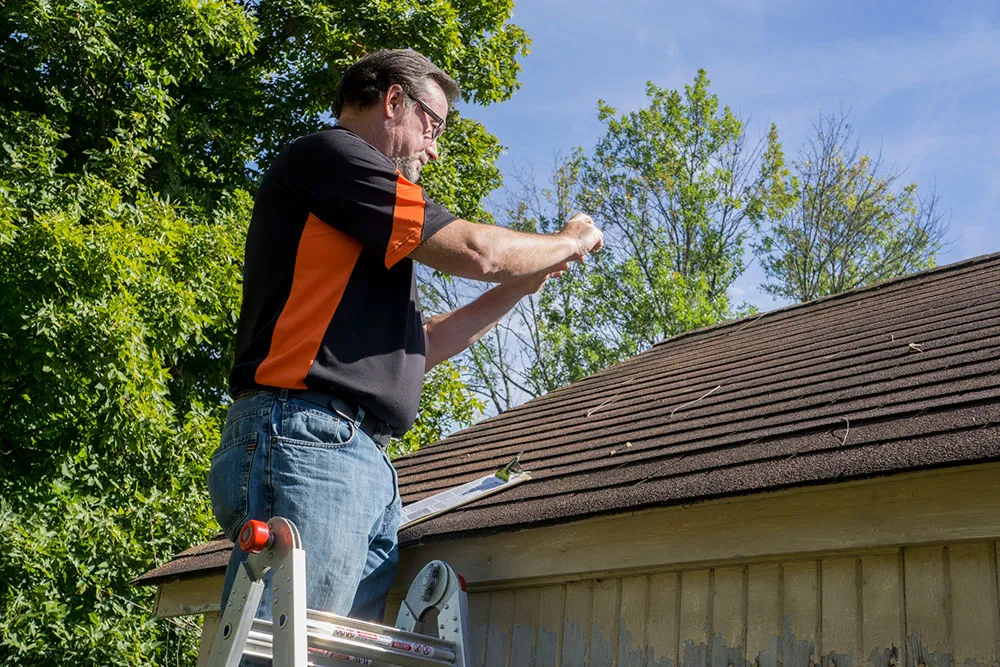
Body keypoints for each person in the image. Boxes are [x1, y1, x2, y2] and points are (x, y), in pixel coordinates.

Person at [207, 49, 603, 629]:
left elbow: (419, 349)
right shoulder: (331, 157)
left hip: (352, 453)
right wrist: (567, 241)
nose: (435, 148)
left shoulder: (359, 224)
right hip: (308, 437)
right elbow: (478, 251)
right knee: (285, 650)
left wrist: (520, 288)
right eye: (433, 126)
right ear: (394, 101)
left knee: (322, 654)